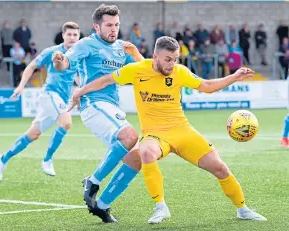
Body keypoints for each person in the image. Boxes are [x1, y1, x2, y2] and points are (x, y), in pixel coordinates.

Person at [71, 36, 267, 224]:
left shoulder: (179, 71)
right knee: (145, 152)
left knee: (220, 168)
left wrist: (234, 76)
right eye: (167, 59)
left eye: (175, 59)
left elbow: (207, 86)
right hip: (154, 134)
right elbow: (105, 80)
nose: (171, 64)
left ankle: (243, 209)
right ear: (155, 56)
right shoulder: (136, 70)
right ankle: (160, 206)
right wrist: (80, 91)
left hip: (182, 131)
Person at [52, 4, 143, 223]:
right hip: (93, 104)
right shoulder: (87, 44)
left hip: (112, 107)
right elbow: (65, 63)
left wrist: (136, 52)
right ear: (96, 26)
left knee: (137, 159)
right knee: (130, 136)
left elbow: (146, 71)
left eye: (117, 25)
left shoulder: (123, 47)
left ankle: (102, 206)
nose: (114, 29)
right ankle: (93, 181)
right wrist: (59, 61)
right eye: (109, 25)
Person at [0, 22, 80, 181]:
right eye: (69, 34)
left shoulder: (79, 54)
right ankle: (47, 159)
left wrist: (81, 91)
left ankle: (3, 158)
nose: (72, 37)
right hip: (50, 94)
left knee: (33, 134)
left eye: (75, 35)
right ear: (63, 36)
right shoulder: (53, 51)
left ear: (79, 36)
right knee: (66, 123)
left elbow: (79, 76)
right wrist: (21, 86)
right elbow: (31, 66)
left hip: (62, 99)